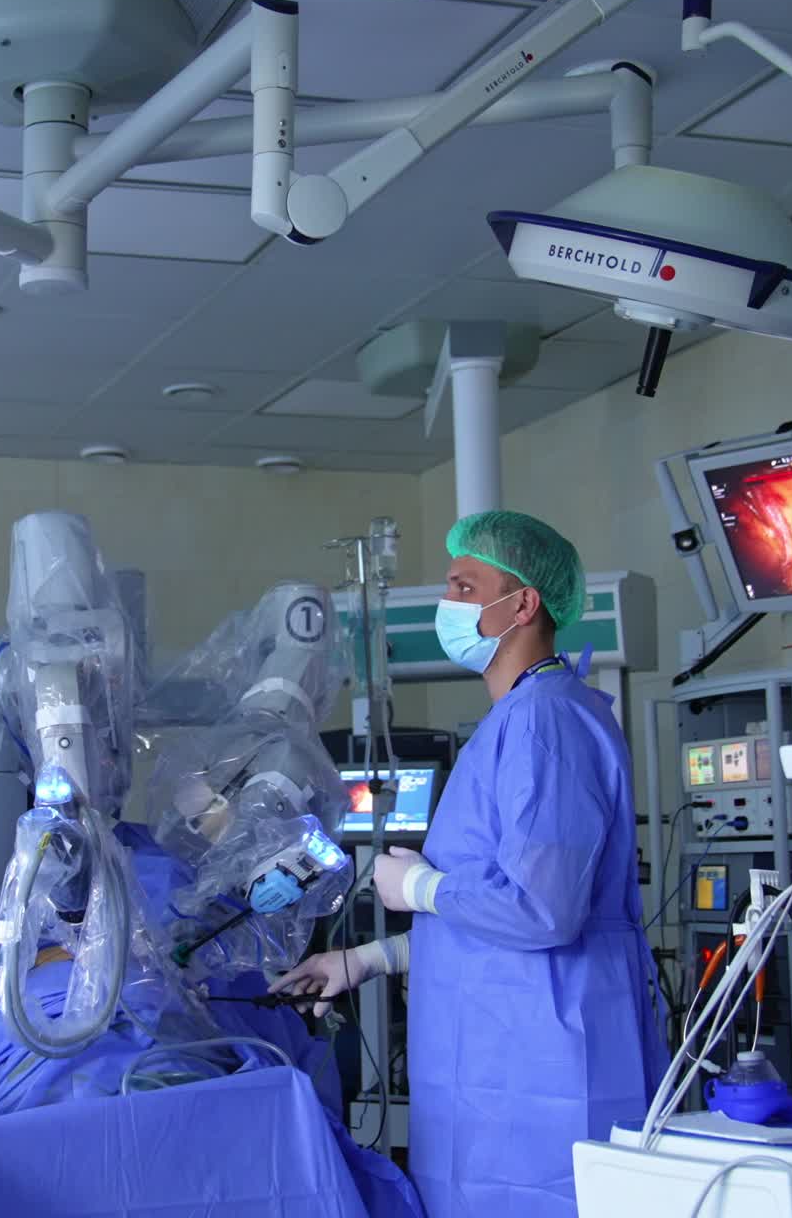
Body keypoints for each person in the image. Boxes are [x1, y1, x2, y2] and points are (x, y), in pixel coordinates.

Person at [271, 510, 666, 1217]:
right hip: (502, 1062)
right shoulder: (517, 720)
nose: (447, 602)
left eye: (463, 584)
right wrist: (364, 961)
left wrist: (419, 886)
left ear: (522, 604)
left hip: (545, 1068)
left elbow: (542, 911)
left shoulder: (547, 722)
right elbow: (489, 914)